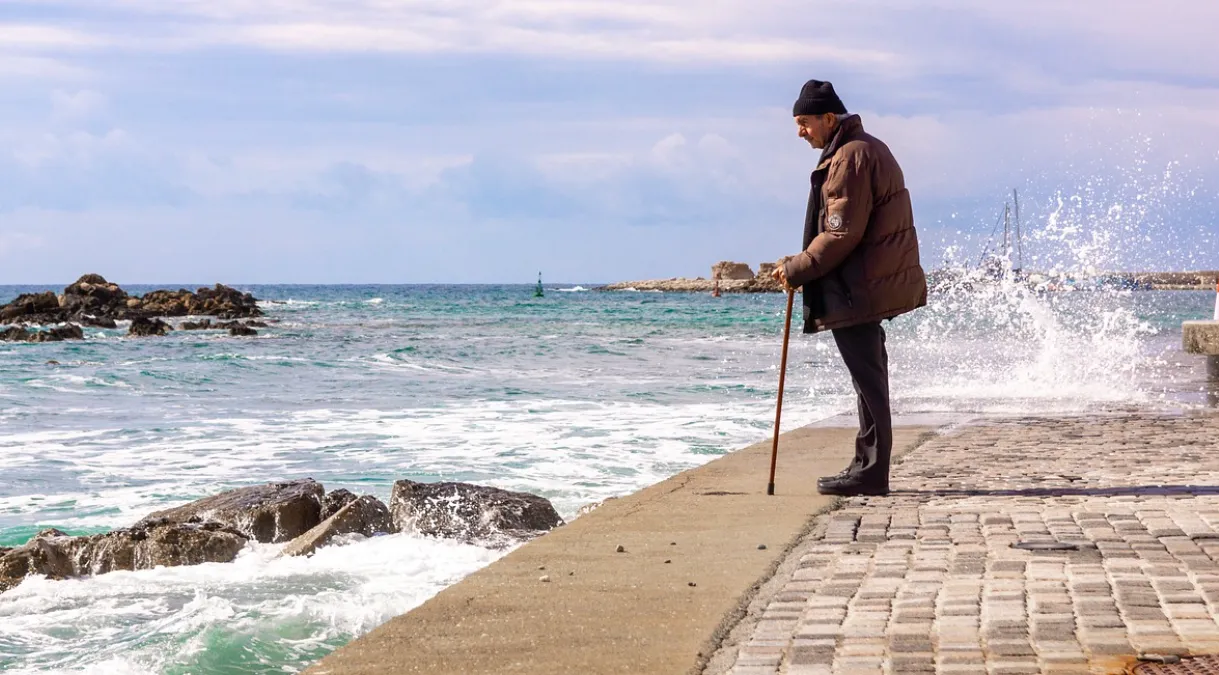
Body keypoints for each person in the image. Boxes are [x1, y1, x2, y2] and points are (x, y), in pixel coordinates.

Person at [771, 80, 927, 497]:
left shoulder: (851, 156)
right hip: (865, 283)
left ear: (828, 118)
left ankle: (871, 472)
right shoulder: (859, 149)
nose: (800, 131)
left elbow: (840, 232)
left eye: (804, 122)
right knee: (868, 379)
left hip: (859, 286)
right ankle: (865, 464)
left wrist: (797, 267)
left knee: (869, 380)